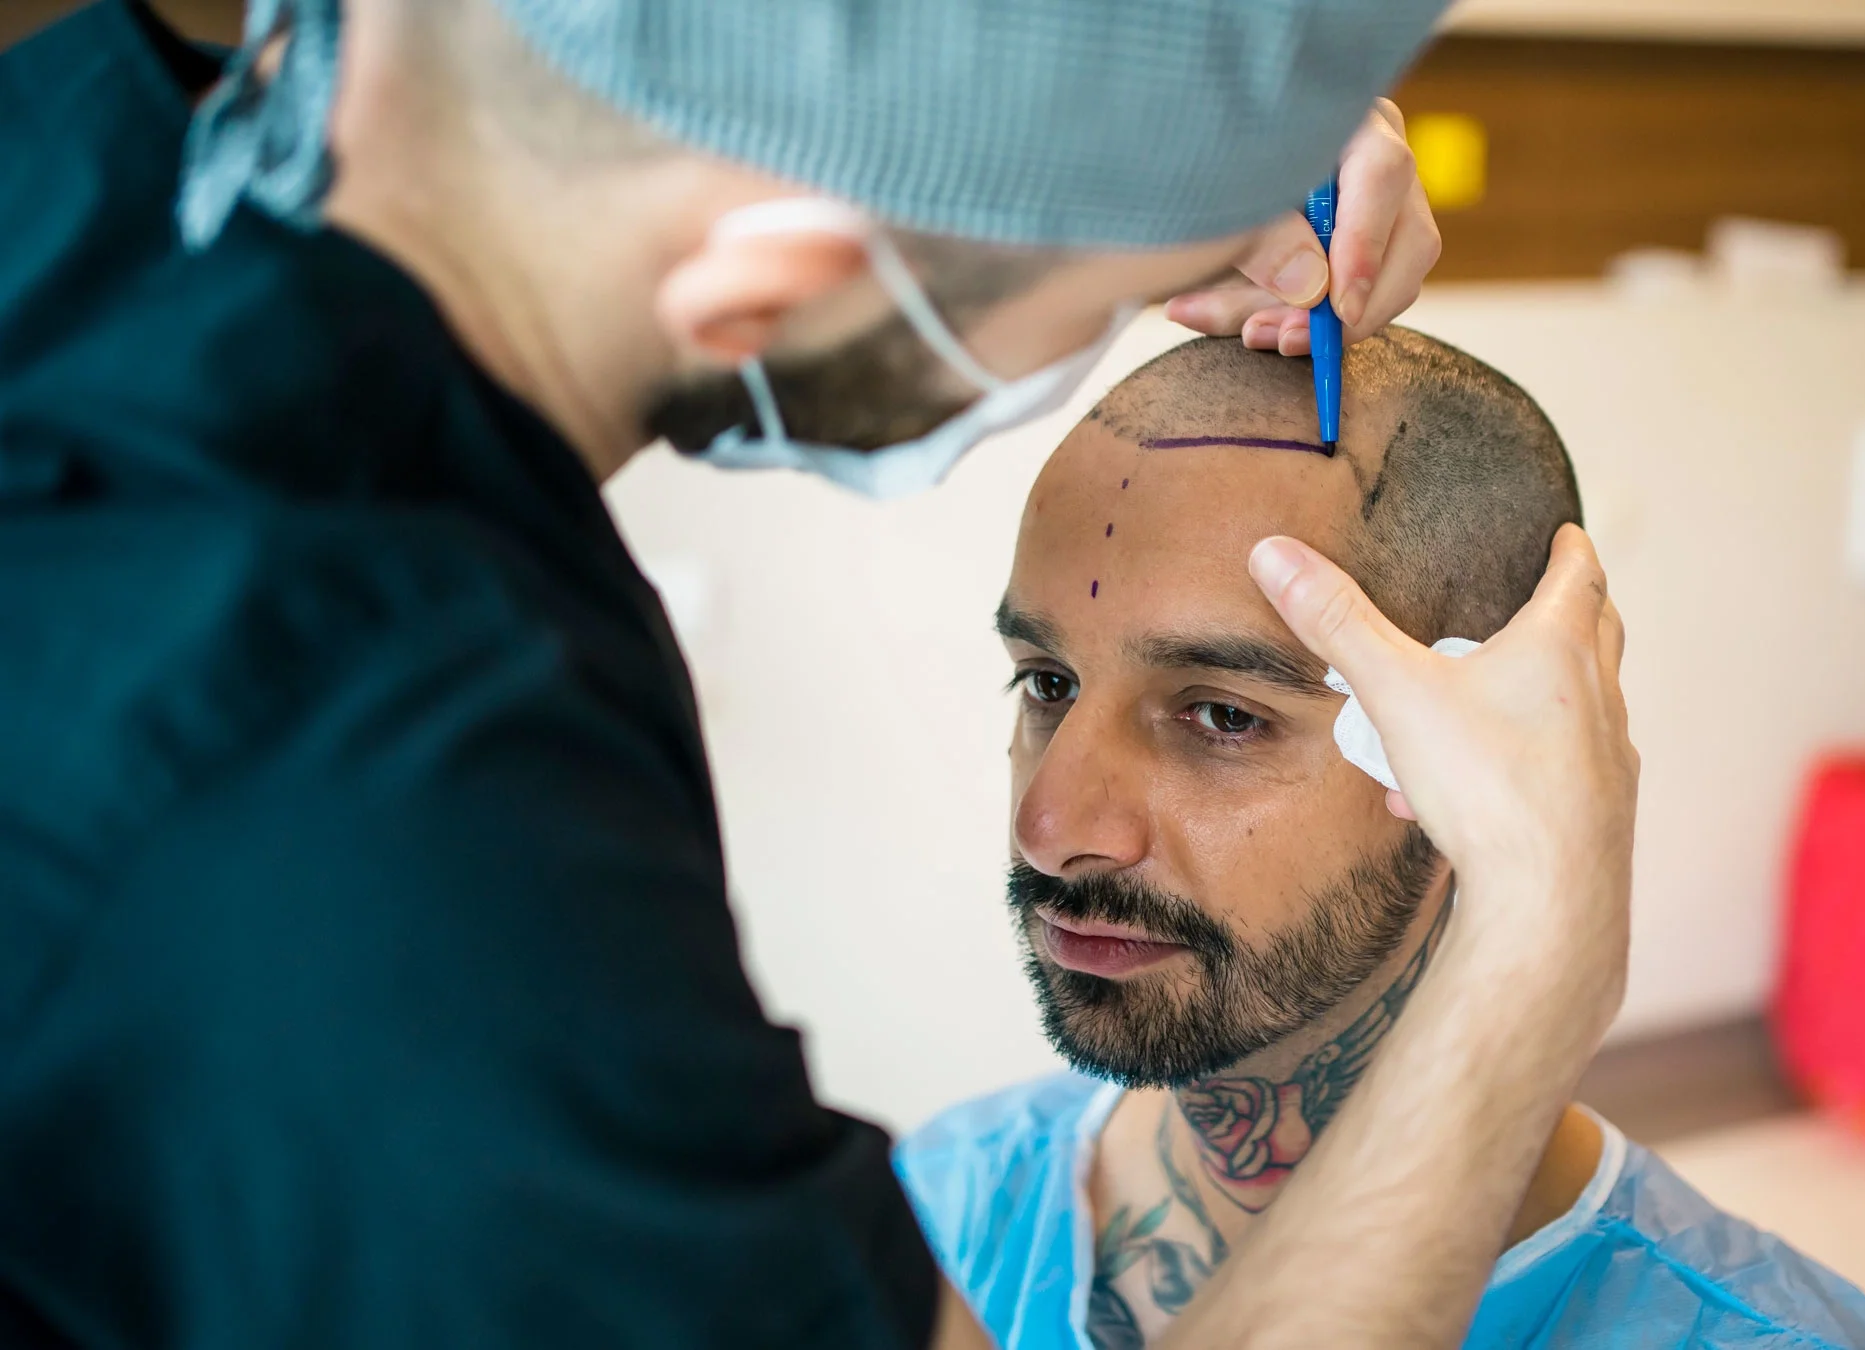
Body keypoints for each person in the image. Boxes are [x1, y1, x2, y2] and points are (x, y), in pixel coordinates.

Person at [0, 1, 1643, 1347]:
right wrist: (1537, 943)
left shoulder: (82, 148)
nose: (1056, 822)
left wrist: (1116, 146)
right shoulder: (385, 838)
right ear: (769, 274)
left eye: (1220, 712)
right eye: (1075, 320)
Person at [895, 331, 1865, 1350]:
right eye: (1047, 685)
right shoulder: (927, 1216)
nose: (1052, 830)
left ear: (1485, 746)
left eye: (1221, 715)